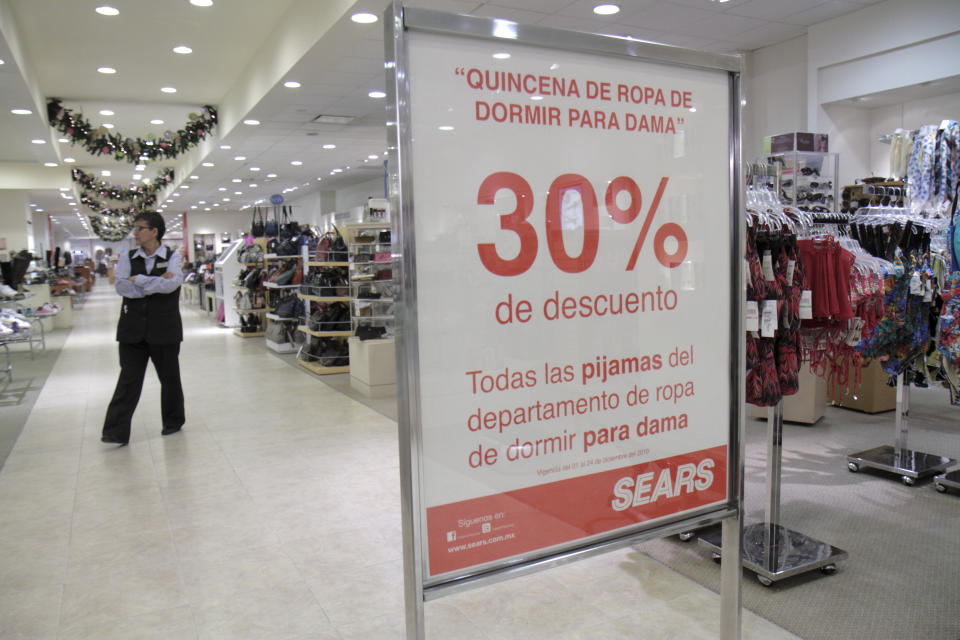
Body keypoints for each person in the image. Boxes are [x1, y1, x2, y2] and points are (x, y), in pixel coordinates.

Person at [101, 211, 185, 445]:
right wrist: (156, 282)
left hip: (164, 327)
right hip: (132, 328)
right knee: (128, 379)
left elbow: (172, 284)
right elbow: (120, 287)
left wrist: (137, 280)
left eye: (140, 228)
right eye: (135, 228)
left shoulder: (172, 256)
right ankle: (115, 431)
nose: (135, 233)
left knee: (169, 378)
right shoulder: (127, 257)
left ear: (154, 231)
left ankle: (173, 421)